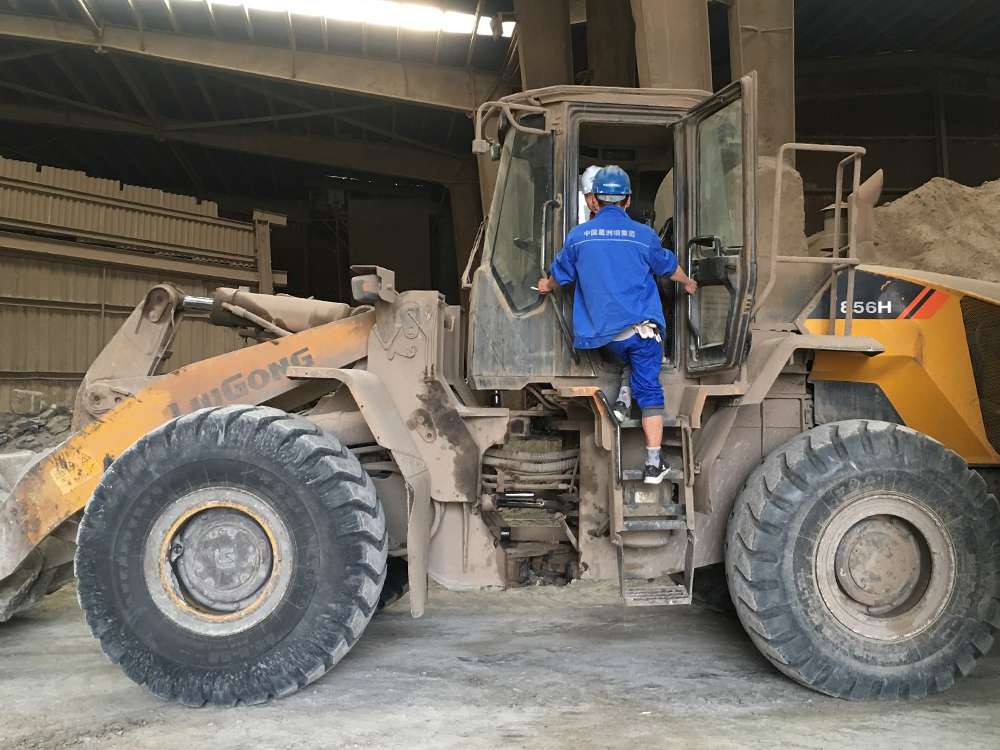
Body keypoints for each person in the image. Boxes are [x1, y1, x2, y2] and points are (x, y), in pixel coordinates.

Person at [537, 165, 697, 484]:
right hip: (642, 334)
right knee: (649, 389)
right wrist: (688, 283)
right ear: (628, 201)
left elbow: (560, 275)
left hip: (605, 337)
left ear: (595, 200)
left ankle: (623, 401)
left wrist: (546, 286)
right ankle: (654, 464)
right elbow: (668, 267)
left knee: (628, 352)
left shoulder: (578, 236)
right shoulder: (644, 235)